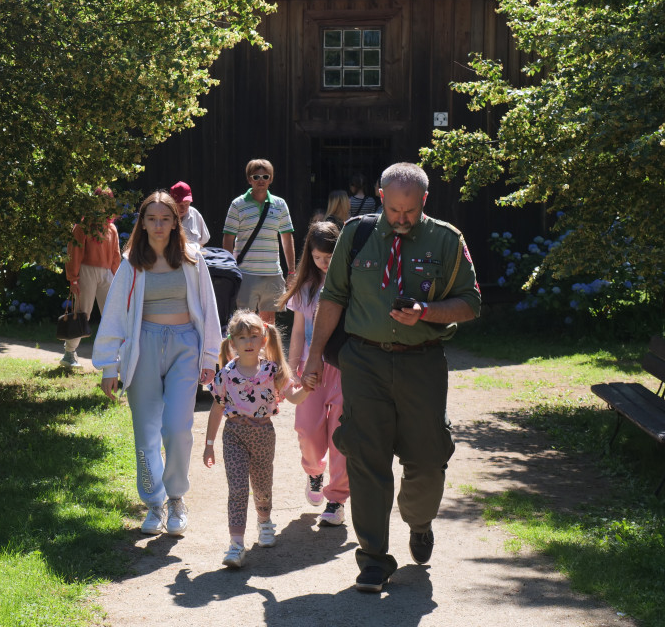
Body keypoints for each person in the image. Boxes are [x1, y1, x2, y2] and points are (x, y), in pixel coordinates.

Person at [302, 162, 481, 592]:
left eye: (410, 211)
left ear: (424, 200)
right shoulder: (357, 235)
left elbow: (471, 303)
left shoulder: (446, 240)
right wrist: (312, 358)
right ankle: (373, 558)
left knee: (426, 458)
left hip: (422, 362)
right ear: (381, 197)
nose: (401, 220)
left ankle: (419, 522)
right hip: (364, 361)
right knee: (366, 457)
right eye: (394, 210)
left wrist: (427, 312)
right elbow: (333, 297)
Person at [94, 191, 221, 538]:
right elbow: (116, 314)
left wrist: (210, 356)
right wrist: (109, 365)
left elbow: (209, 309)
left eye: (165, 218)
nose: (159, 225)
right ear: (143, 222)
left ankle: (177, 497)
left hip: (184, 347)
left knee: (178, 429)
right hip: (143, 348)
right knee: (146, 433)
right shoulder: (132, 262)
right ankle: (154, 503)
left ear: (176, 221)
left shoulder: (193, 259)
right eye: (152, 218)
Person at [203, 310, 309, 569]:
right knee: (237, 489)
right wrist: (209, 445)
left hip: (263, 434)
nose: (248, 342)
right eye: (242, 338)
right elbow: (217, 408)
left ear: (264, 340)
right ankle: (236, 544)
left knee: (262, 486)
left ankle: (264, 522)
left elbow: (294, 398)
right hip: (234, 435)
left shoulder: (272, 371)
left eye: (253, 336)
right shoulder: (226, 375)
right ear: (233, 343)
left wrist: (309, 386)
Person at [280, 221, 348, 526]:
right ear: (310, 254)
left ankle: (337, 500)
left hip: (345, 370)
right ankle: (314, 473)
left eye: (330, 257)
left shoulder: (351, 284)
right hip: (309, 370)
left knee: (342, 437)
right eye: (319, 257)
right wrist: (290, 373)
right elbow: (297, 333)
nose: (324, 263)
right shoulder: (305, 287)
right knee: (307, 431)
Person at [222, 159, 296, 325]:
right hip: (246, 272)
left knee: (268, 325)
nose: (261, 180)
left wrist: (291, 271)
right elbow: (228, 238)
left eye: (265, 176)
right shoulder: (237, 204)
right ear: (249, 179)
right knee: (244, 323)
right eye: (256, 176)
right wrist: (229, 268)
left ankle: (267, 352)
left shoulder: (280, 204)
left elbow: (286, 237)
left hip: (272, 273)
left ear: (271, 179)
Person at [61, 189, 122, 370]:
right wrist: (73, 279)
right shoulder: (82, 227)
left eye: (107, 201)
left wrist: (118, 279)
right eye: (100, 201)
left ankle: (113, 355)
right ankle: (69, 353)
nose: (103, 205)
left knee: (111, 313)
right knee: (82, 313)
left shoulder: (111, 228)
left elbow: (116, 257)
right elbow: (74, 253)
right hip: (86, 271)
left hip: (106, 274)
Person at [170, 181, 211, 247]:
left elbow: (203, 241)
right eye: (180, 204)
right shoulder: (165, 216)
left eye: (186, 204)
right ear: (171, 202)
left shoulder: (194, 213)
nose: (183, 208)